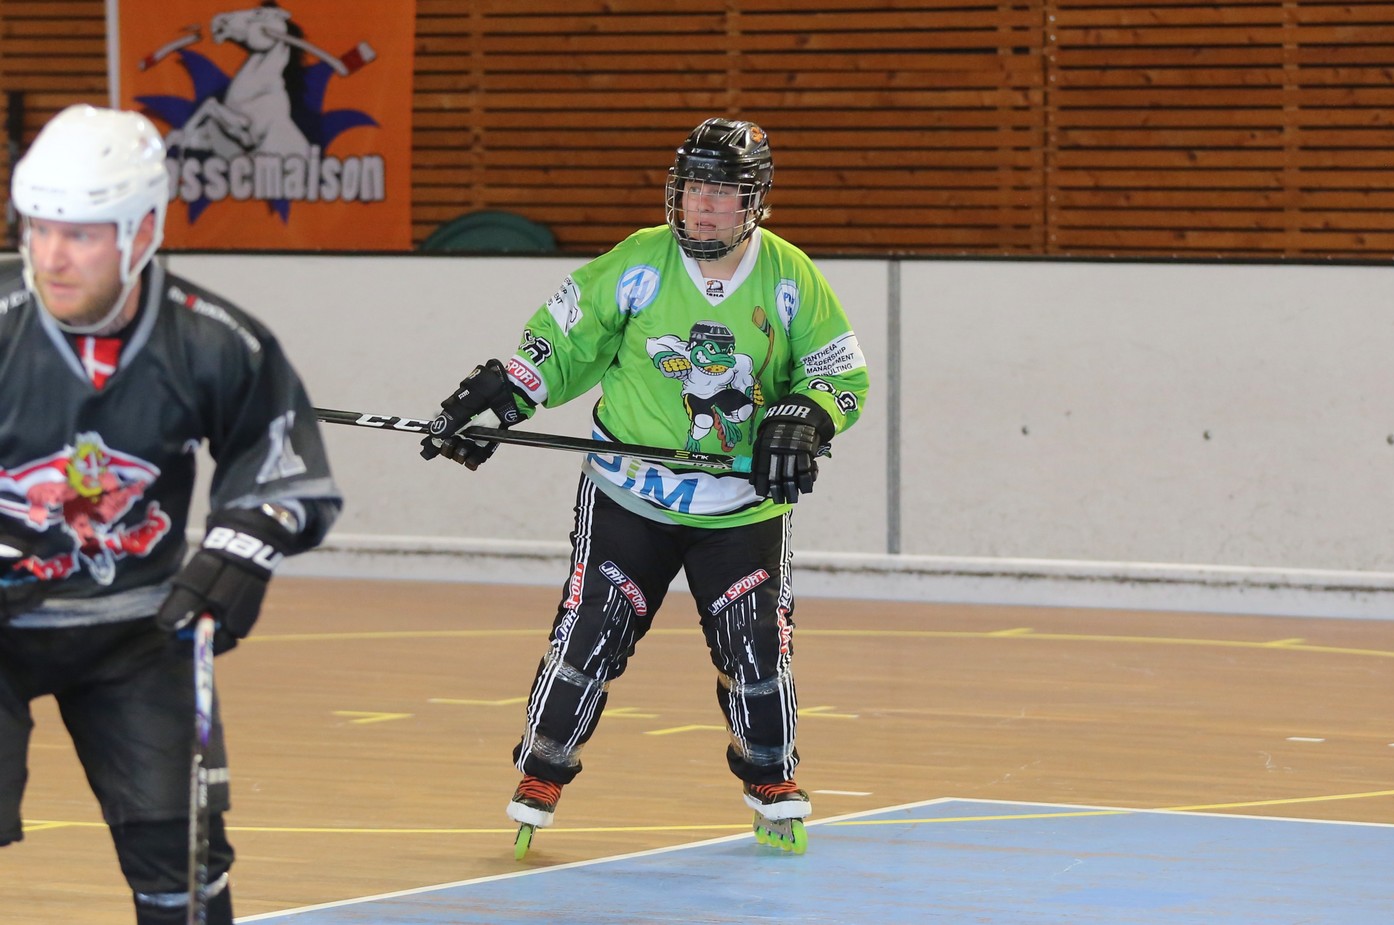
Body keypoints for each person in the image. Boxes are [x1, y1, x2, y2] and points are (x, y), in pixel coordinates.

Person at [421, 117, 869, 857]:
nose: (704, 205)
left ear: (754, 200)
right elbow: (561, 345)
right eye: (693, 188)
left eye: (722, 192)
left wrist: (807, 416)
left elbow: (838, 373)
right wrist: (501, 402)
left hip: (740, 505)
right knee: (591, 632)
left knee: (755, 645)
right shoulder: (637, 263)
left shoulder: (791, 277)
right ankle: (543, 769)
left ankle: (770, 774)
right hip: (628, 493)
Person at [0, 104, 342, 924]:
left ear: (143, 230)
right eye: (39, 227)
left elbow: (281, 472)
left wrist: (240, 550)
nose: (51, 256)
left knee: (181, 858)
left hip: (138, 629)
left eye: (81, 234)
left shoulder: (216, 340)